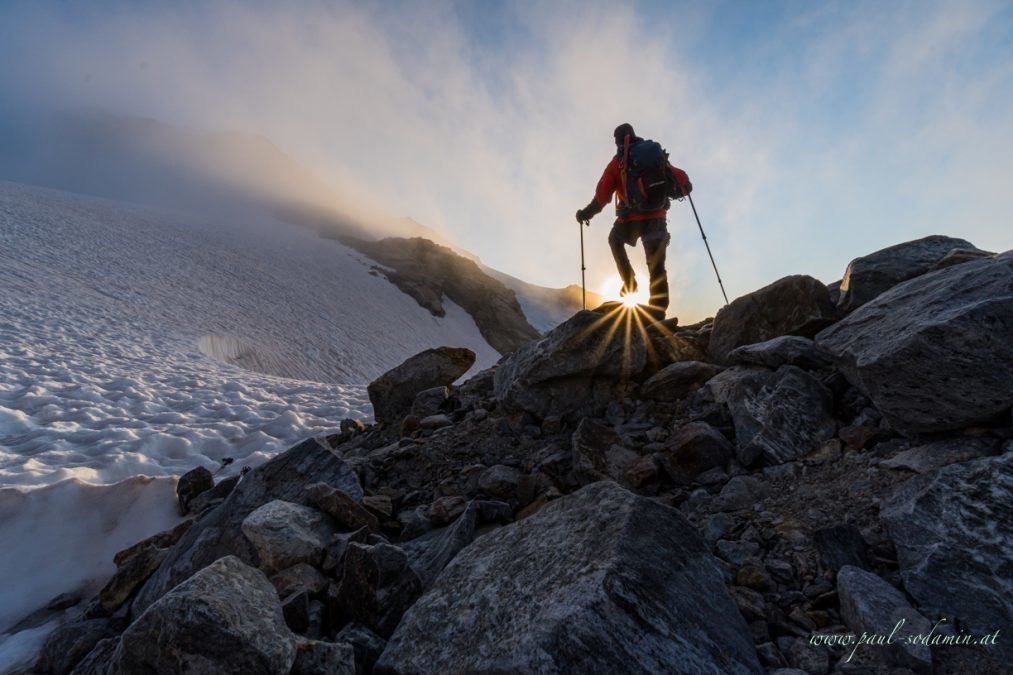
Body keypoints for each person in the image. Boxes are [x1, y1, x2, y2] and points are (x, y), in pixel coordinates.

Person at [575, 123, 690, 320]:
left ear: (618, 140)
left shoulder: (618, 163)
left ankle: (629, 282)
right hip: (657, 218)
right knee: (656, 266)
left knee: (614, 240)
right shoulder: (654, 156)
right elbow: (684, 183)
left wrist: (585, 214)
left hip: (630, 219)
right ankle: (658, 312)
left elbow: (602, 198)